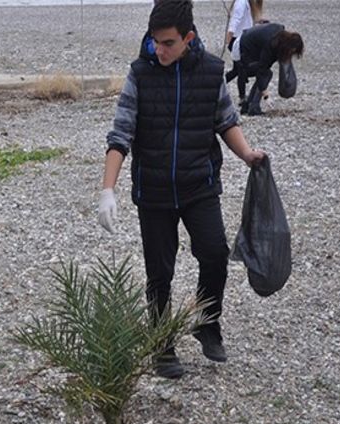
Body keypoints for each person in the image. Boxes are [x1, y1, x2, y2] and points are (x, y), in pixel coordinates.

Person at [98, 0, 266, 379]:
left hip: (199, 184)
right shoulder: (140, 73)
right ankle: (162, 344)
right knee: (160, 273)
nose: (160, 50)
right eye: (155, 42)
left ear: (188, 38)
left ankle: (207, 323)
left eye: (168, 43)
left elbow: (226, 121)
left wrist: (247, 154)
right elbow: (120, 132)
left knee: (214, 254)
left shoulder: (210, 71)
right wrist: (107, 190)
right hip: (153, 190)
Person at [234, 23, 304, 115]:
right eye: (292, 51)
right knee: (266, 74)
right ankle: (253, 108)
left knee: (265, 73)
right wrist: (265, 94)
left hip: (246, 43)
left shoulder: (279, 33)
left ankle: (247, 105)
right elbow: (261, 70)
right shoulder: (271, 45)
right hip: (241, 50)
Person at [224, 0, 264, 103]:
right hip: (238, 39)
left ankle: (217, 84)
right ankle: (242, 97)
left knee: (237, 70)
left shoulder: (247, 3)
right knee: (241, 69)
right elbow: (236, 19)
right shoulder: (241, 2)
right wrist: (229, 35)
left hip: (244, 38)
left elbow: (246, 21)